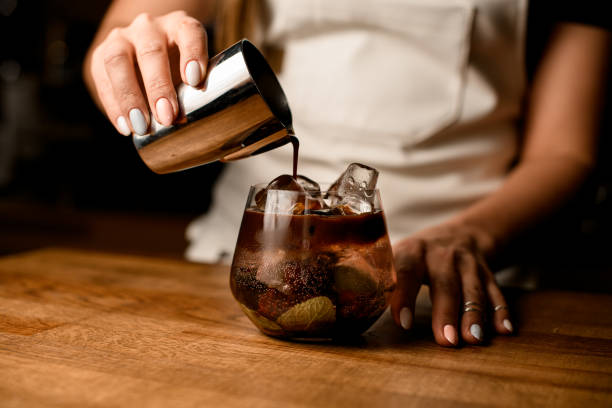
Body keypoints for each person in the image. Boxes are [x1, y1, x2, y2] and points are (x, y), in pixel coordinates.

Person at [83, 0, 611, 347]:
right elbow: (113, 43)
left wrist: (467, 234)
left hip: (448, 285)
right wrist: (128, 52)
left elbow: (565, 151)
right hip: (243, 278)